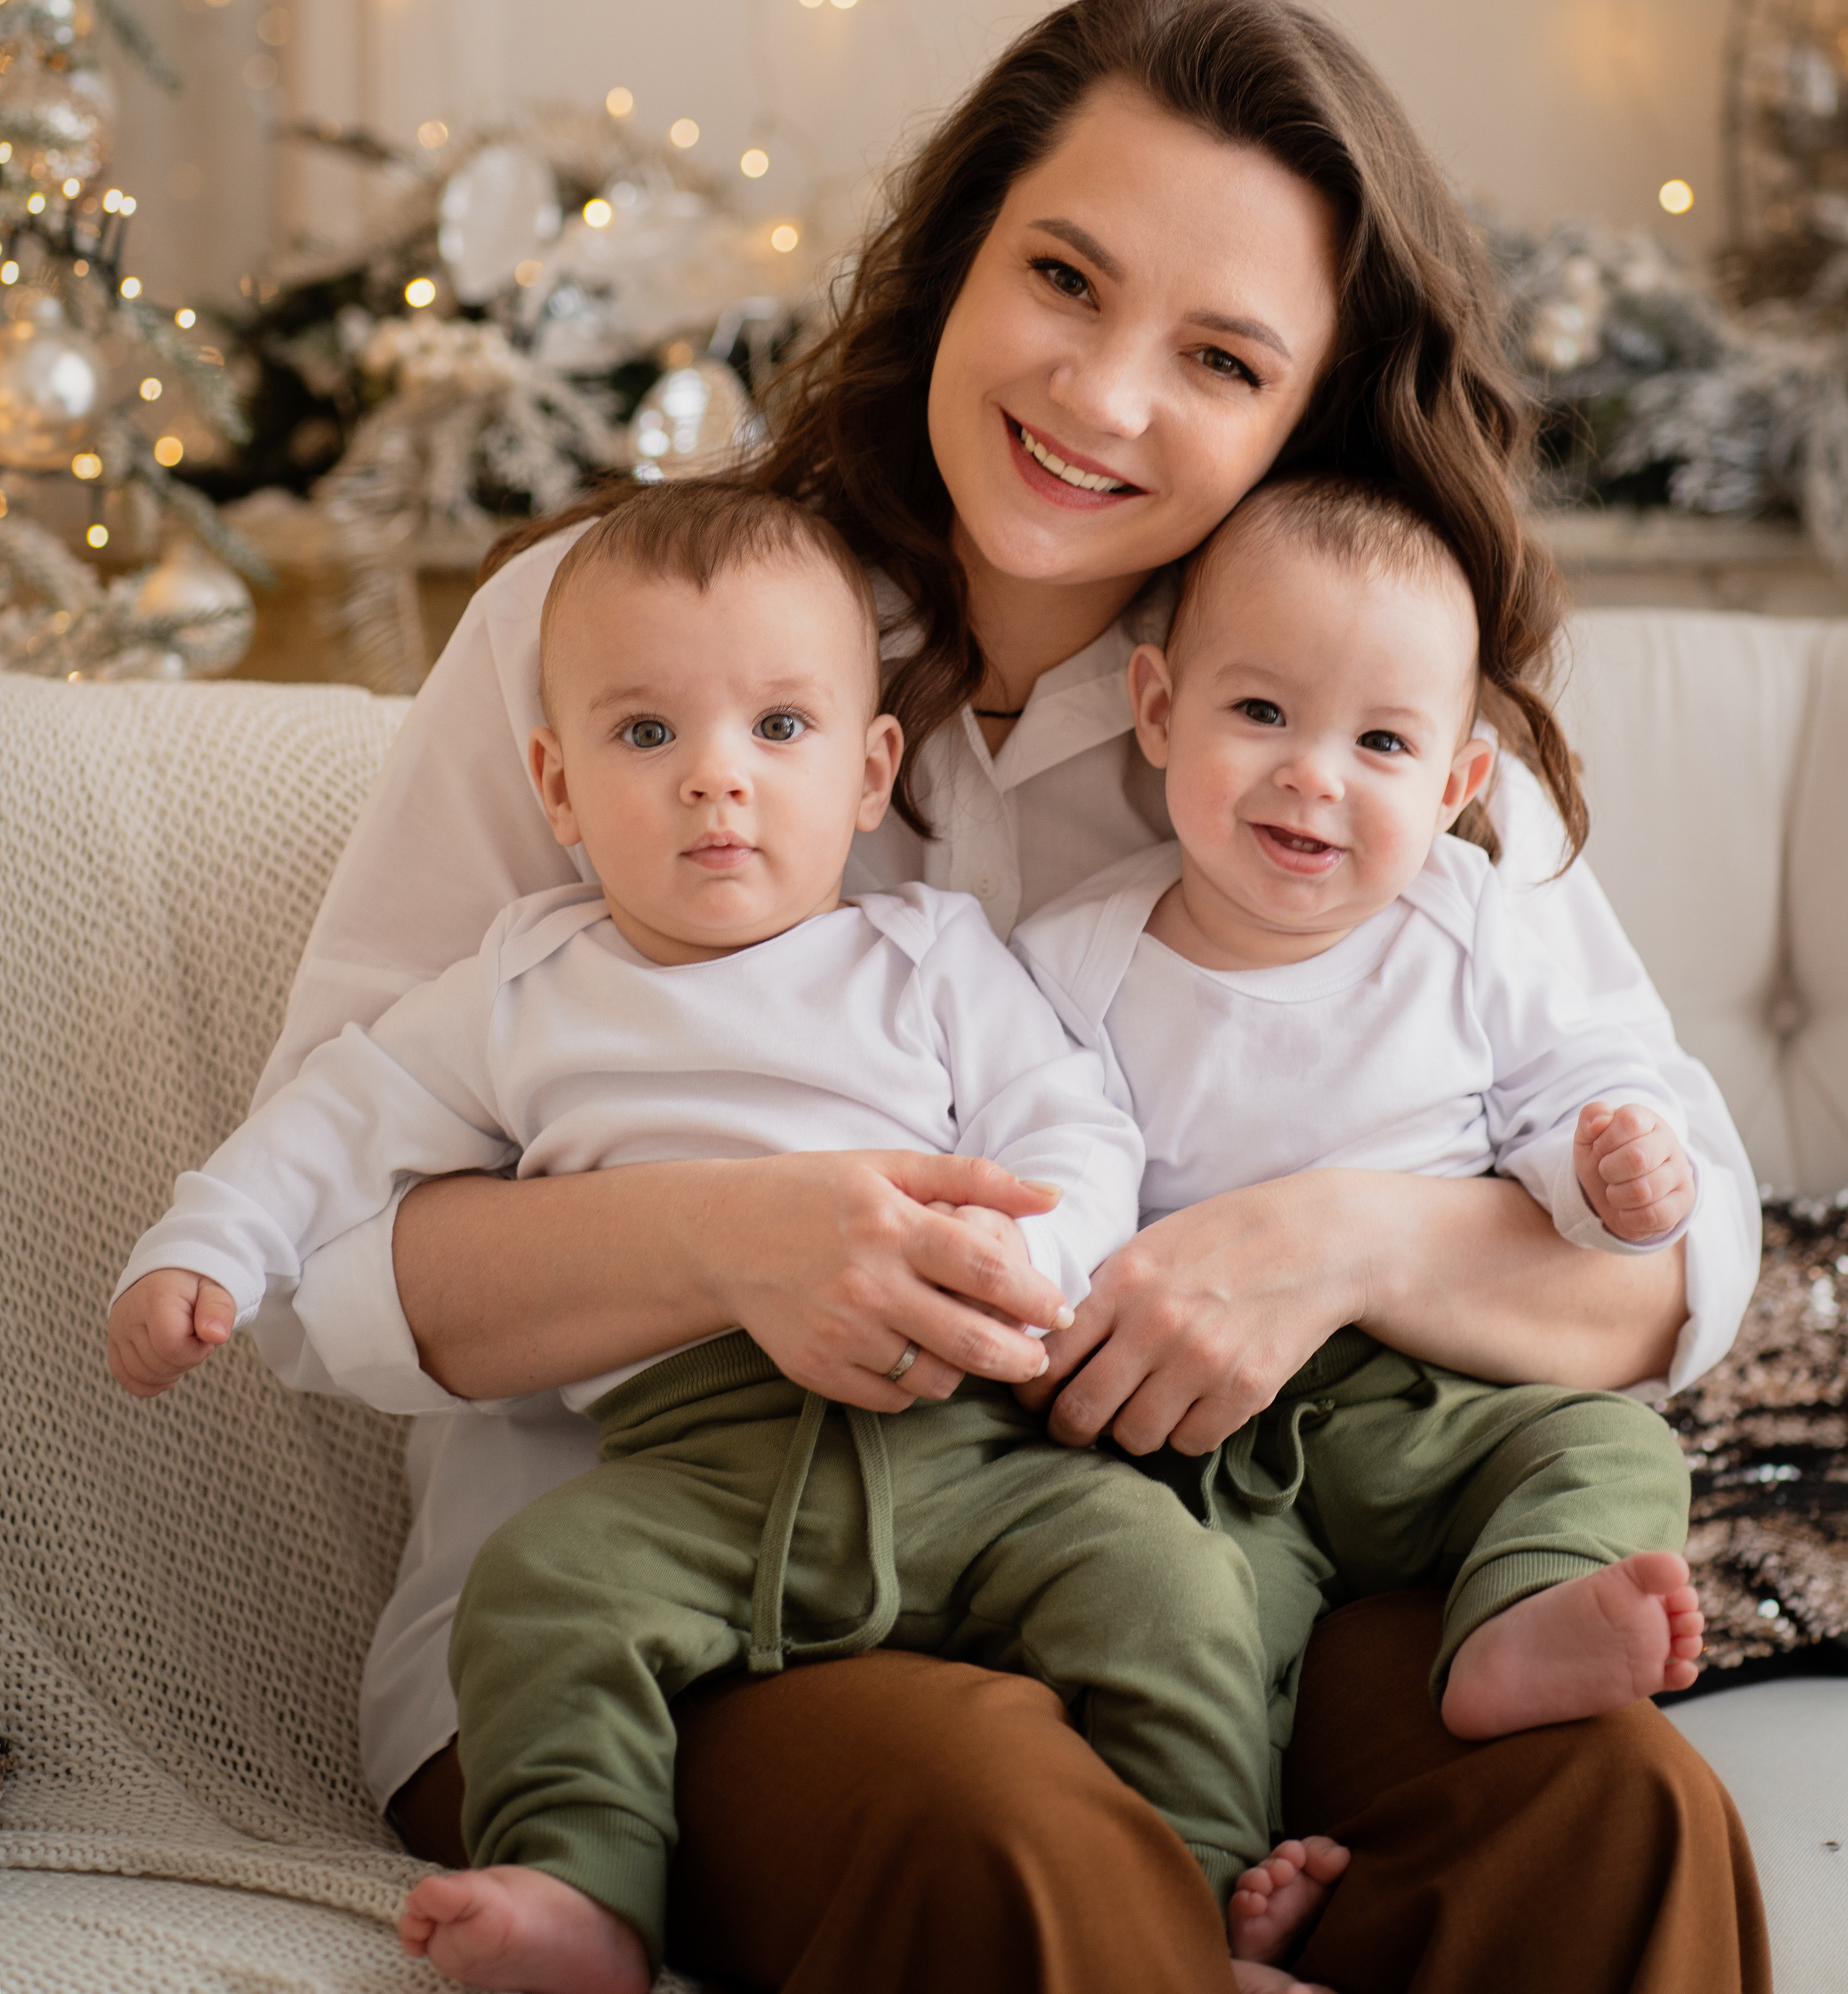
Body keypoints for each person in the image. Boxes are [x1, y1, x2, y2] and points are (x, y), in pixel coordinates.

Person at [212, 0, 1767, 1993]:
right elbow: (315, 1253)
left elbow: (1682, 1255)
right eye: (1063, 276)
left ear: (1311, 408)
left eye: (1218, 354)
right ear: (954, 259)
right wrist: (724, 1237)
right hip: (665, 1603)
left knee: (1620, 1804)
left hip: (1212, 1597)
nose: (1105, 395)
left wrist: (1329, 1241)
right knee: (1004, 1812)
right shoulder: (620, 637)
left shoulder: (1374, 723)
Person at [110, 480, 1343, 1992]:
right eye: (647, 737)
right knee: (542, 1592)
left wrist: (1042, 1258)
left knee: (1166, 1576)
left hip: (966, 1445)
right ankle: (582, 1892)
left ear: (871, 768)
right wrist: (204, 1252)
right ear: (555, 790)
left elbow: (1070, 1124)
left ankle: (1205, 1893)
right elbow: (327, 1130)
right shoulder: (523, 990)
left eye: (777, 731)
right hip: (691, 1467)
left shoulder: (930, 959)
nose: (716, 782)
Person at [1015, 472, 1712, 1958]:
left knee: (1606, 1446)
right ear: (1156, 713)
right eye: (1257, 715)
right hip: (1206, 1439)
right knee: (1185, 1628)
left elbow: (1578, 1081)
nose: (1311, 777)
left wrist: (1614, 1169)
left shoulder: (1468, 925)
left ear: (1456, 786)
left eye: (1379, 742)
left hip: (1439, 1395)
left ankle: (1516, 1624)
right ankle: (1208, 1896)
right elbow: (1038, 1157)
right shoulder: (1071, 960)